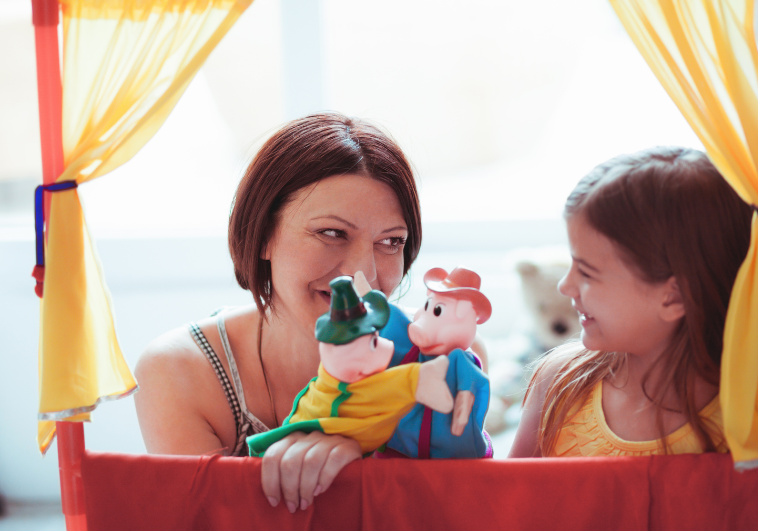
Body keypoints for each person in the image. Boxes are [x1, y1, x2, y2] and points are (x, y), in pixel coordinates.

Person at [135, 112, 487, 513]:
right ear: (263, 234)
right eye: (332, 233)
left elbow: (459, 513)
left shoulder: (446, 358)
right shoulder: (178, 371)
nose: (365, 275)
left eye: (391, 241)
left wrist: (366, 456)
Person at [509, 146, 752, 458]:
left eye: (585, 271)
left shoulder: (743, 419)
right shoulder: (557, 382)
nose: (564, 285)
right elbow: (507, 501)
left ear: (674, 296)